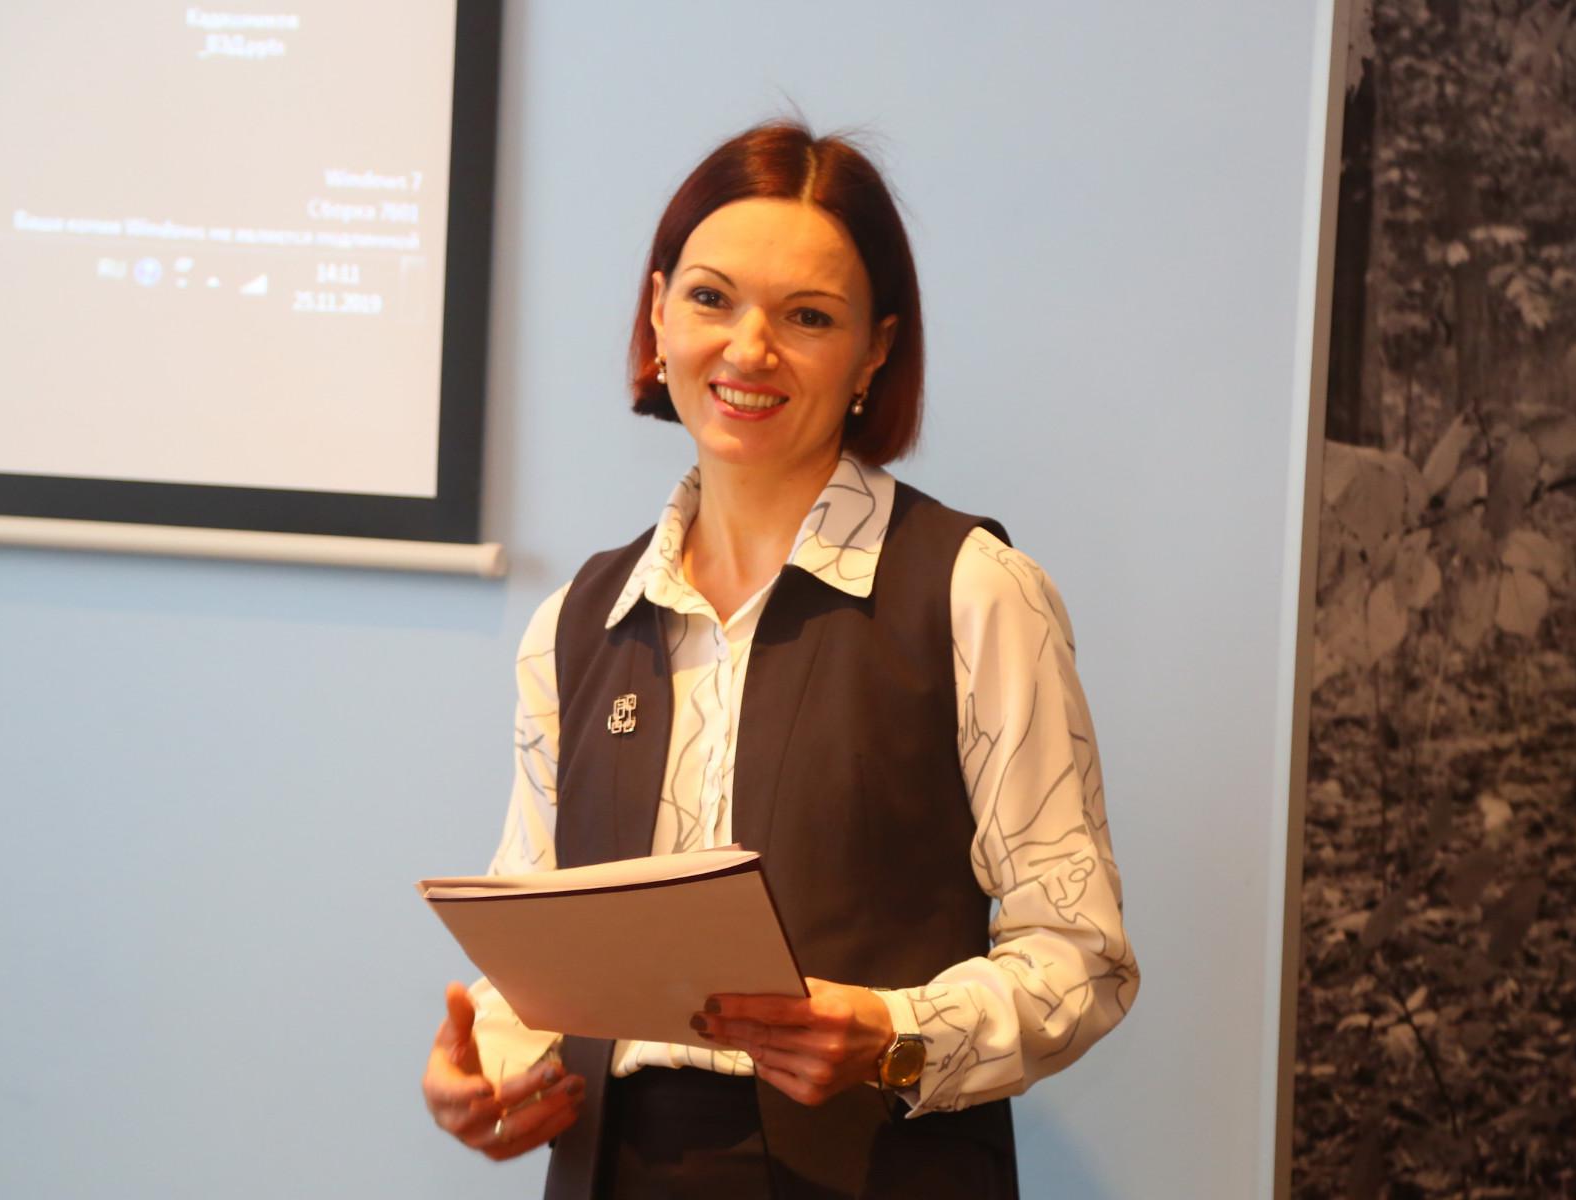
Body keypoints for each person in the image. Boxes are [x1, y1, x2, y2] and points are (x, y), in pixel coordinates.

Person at [421, 120, 1138, 1199]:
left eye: (808, 316)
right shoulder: (576, 621)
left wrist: (897, 1035)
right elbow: (542, 947)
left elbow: (1083, 954)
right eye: (712, 299)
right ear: (658, 313)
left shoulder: (975, 589)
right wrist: (484, 1065)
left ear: (875, 350)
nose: (749, 350)